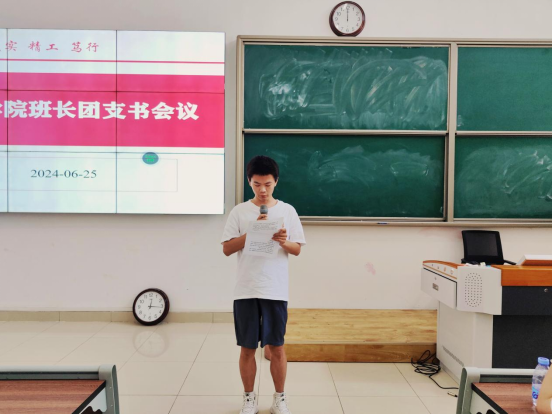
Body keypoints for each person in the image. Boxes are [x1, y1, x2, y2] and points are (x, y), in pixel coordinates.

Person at [221, 155, 306, 414]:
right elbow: (227, 249)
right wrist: (251, 234)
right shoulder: (239, 211)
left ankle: (280, 398)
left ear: (276, 182)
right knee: (247, 348)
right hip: (246, 288)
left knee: (277, 346)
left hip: (274, 289)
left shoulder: (287, 211)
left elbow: (297, 249)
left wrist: (282, 241)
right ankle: (249, 398)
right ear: (249, 181)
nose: (262, 190)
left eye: (267, 184)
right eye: (257, 184)